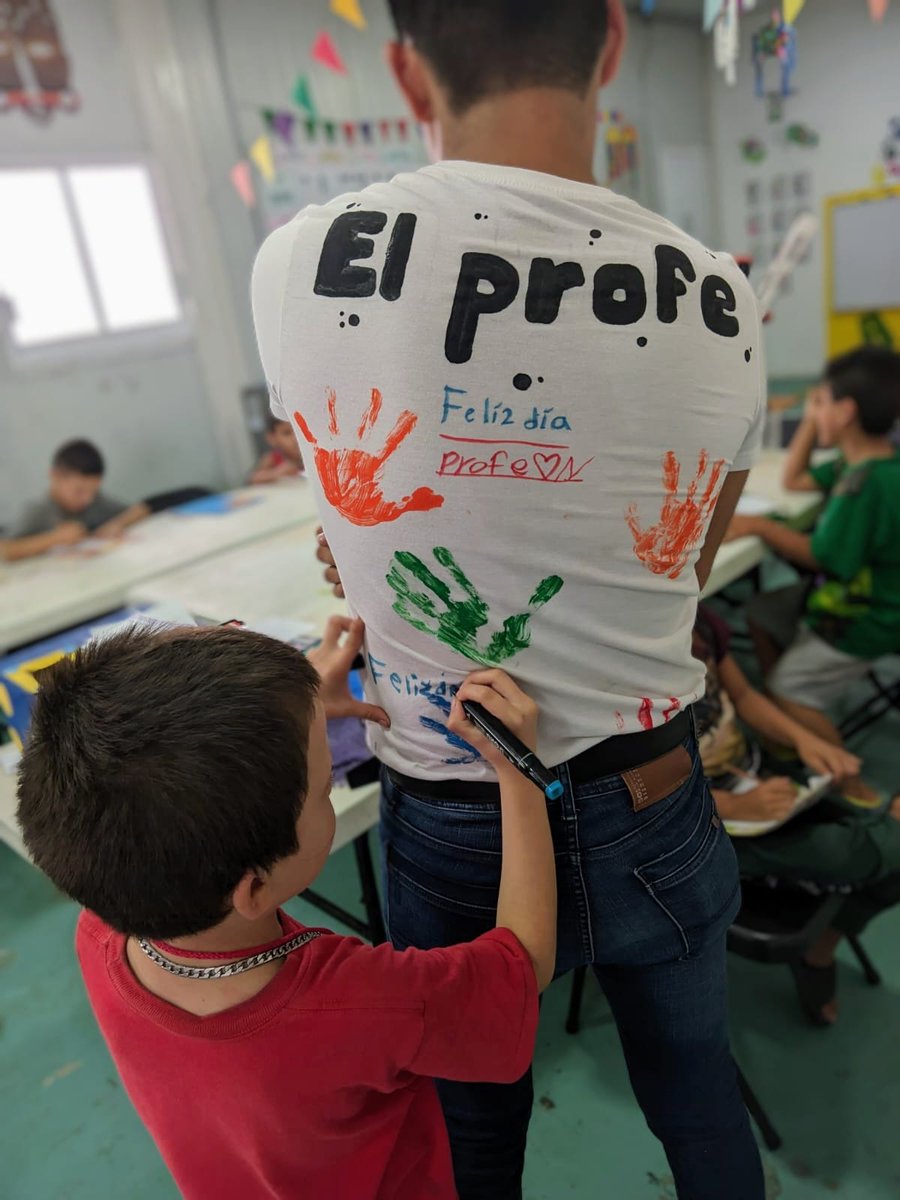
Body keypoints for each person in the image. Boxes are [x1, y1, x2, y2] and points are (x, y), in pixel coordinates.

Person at [252, 3, 766, 1196]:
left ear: (404, 70)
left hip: (451, 798)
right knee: (697, 1095)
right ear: (613, 43)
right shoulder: (720, 294)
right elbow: (679, 568)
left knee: (475, 1137)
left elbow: (363, 512)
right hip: (652, 784)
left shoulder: (300, 260)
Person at [15, 615, 555, 1200]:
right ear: (253, 890)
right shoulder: (359, 1001)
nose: (328, 787)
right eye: (324, 789)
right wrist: (518, 775)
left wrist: (300, 717)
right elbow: (522, 968)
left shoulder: (100, 928)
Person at [692, 605, 900, 1026]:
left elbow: (744, 696)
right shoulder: (616, 663)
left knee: (887, 856)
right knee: (880, 847)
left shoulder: (696, 617)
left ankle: (820, 949)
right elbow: (626, 792)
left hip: (752, 779)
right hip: (698, 824)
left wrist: (806, 741)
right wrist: (733, 806)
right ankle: (821, 947)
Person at [727, 347, 900, 750]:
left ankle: (837, 765)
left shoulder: (864, 485)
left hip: (871, 616)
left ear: (845, 412)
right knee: (762, 612)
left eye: (819, 402)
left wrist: (760, 526)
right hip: (853, 598)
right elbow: (795, 480)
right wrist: (812, 419)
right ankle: (786, 728)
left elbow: (824, 557)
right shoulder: (860, 464)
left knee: (787, 685)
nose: (812, 410)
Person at [1, 439, 127, 562]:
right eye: (79, 491)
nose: (88, 499)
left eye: (94, 491)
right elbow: (5, 550)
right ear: (55, 477)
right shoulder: (38, 511)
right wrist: (55, 539)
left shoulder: (96, 502)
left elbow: (132, 511)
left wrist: (118, 523)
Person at [250, 413, 304, 484]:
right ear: (272, 438)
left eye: (300, 431)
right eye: (287, 433)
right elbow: (254, 478)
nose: (296, 438)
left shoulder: (313, 454)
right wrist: (276, 473)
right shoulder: (274, 457)